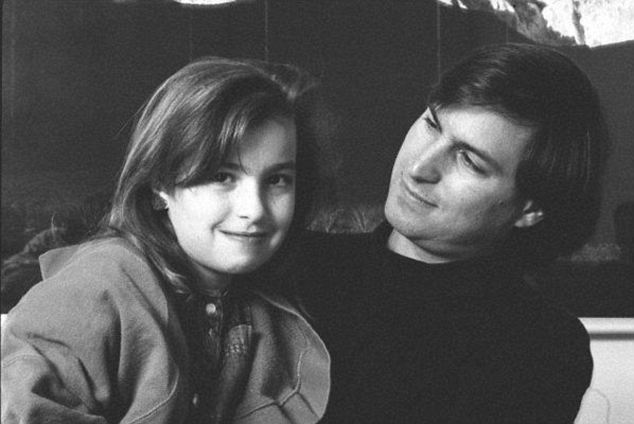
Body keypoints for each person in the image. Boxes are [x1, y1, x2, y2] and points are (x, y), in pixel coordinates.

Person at [1, 57, 331, 423]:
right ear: (160, 183)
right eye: (222, 176)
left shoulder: (255, 296)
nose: (255, 210)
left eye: (277, 180)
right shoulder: (96, 289)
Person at [296, 43, 608, 423]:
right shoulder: (294, 267)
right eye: (432, 125)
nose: (419, 168)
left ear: (530, 209)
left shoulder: (543, 346)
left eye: (469, 161)